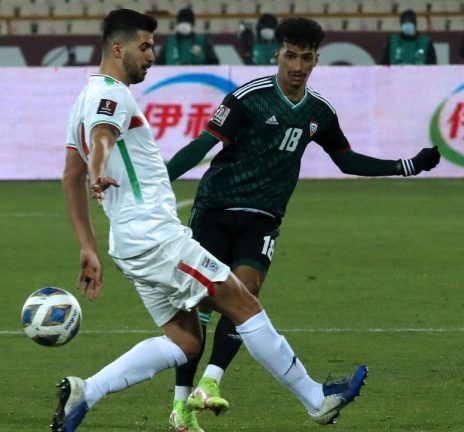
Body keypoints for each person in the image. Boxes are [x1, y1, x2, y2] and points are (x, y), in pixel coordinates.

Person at [54, 9, 367, 432]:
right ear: (117, 48)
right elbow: (103, 137)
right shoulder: (112, 96)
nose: (151, 55)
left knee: (185, 342)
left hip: (129, 243)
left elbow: (69, 177)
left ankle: (84, 393)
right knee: (243, 303)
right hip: (155, 239)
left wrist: (88, 245)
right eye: (144, 46)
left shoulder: (82, 101)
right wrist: (99, 165)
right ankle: (317, 398)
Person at [165, 16, 440, 432]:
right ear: (278, 54)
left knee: (247, 293)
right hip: (216, 208)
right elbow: (205, 144)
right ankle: (180, 407)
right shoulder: (246, 98)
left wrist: (408, 165)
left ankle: (211, 381)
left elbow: (346, 160)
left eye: (306, 57)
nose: (297, 65)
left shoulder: (319, 112)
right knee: (200, 307)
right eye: (290, 55)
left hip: (263, 216)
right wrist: (156, 181)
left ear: (316, 60)